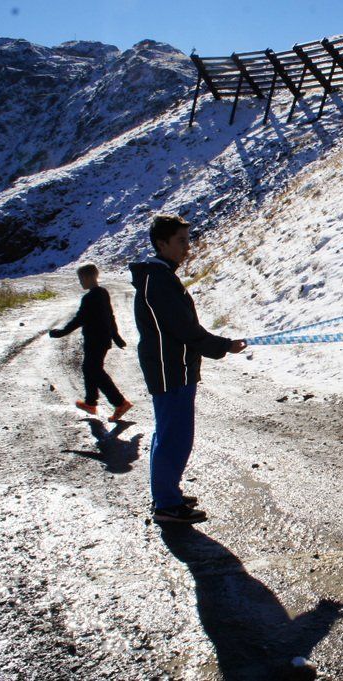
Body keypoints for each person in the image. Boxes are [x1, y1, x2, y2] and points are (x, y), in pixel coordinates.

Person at [129, 215, 246, 524]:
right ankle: (167, 504)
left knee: (168, 434)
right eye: (181, 241)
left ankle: (166, 494)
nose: (187, 248)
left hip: (171, 367)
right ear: (161, 243)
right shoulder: (159, 281)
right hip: (171, 369)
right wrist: (224, 346)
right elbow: (184, 329)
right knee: (175, 436)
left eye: (187, 240)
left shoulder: (159, 277)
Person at [49, 263, 133, 421]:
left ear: (88, 277)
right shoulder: (103, 293)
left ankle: (120, 403)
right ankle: (90, 402)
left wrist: (61, 333)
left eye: (81, 279)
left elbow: (79, 319)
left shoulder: (89, 298)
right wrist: (115, 336)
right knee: (89, 369)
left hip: (95, 340)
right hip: (102, 339)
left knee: (95, 371)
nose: (80, 282)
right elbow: (110, 316)